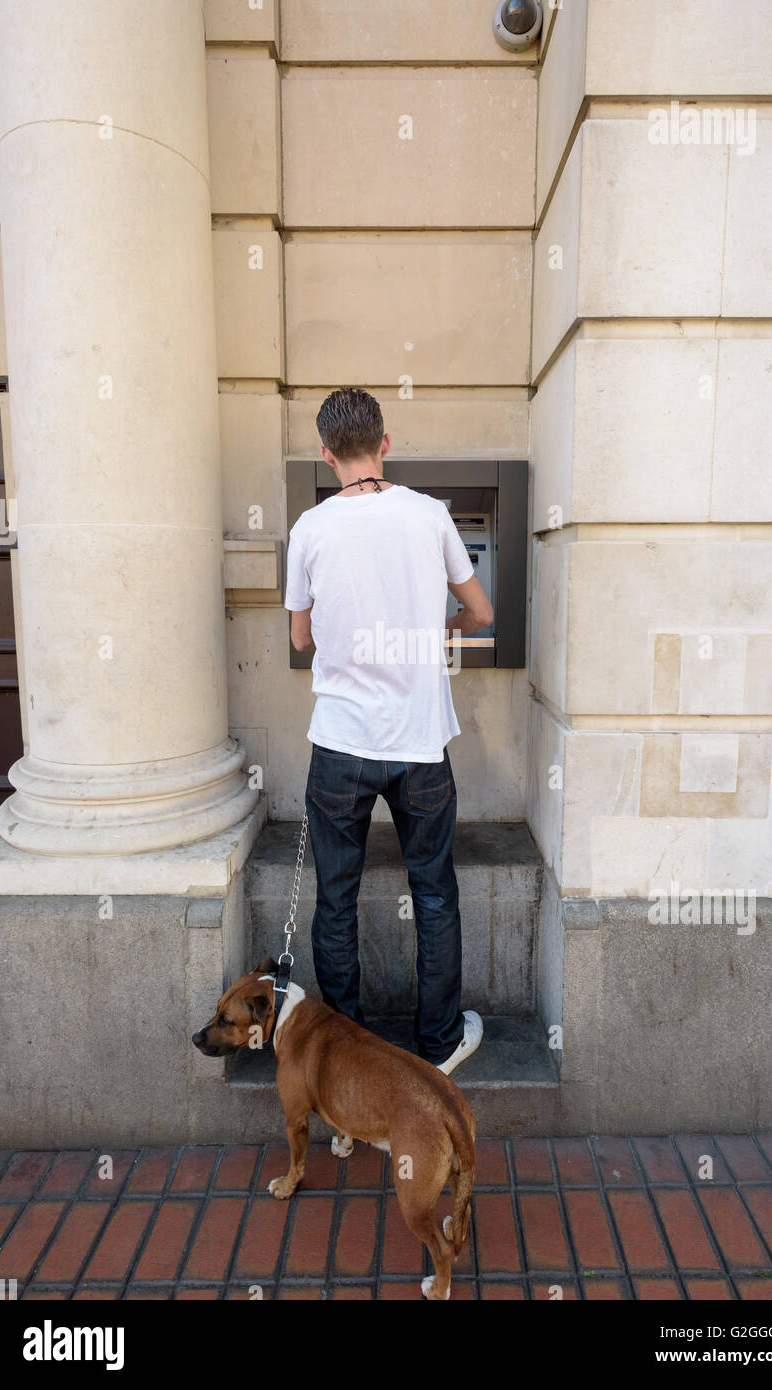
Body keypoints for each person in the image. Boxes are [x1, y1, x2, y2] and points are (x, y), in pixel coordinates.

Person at [284, 388, 494, 1074]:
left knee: (335, 900)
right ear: (385, 443)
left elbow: (300, 635)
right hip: (418, 746)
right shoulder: (429, 515)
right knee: (433, 892)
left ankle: (344, 1059)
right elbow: (481, 611)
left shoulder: (310, 527)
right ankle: (437, 1043)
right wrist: (439, 628)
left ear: (325, 454)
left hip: (340, 747)